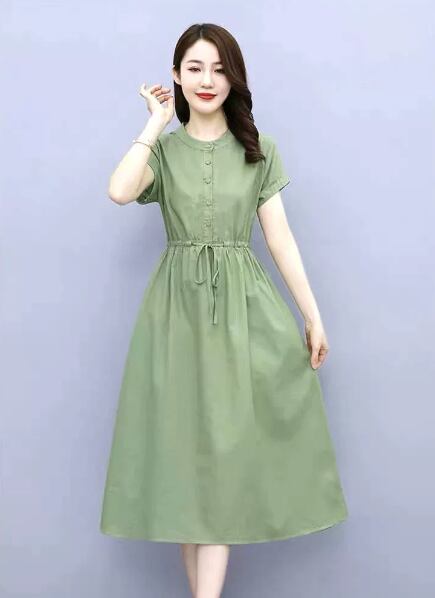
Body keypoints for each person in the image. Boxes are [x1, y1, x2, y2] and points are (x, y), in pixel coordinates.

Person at [100, 23, 348, 598]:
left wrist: (312, 315)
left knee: (223, 468)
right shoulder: (164, 151)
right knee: (189, 475)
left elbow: (280, 239)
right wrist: (155, 123)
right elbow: (119, 190)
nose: (207, 80)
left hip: (243, 317)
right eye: (194, 68)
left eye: (219, 69)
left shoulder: (258, 150)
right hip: (174, 321)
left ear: (235, 77)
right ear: (176, 76)